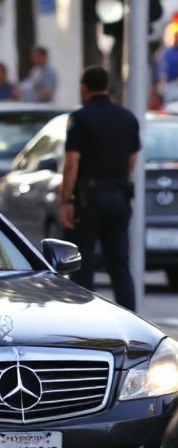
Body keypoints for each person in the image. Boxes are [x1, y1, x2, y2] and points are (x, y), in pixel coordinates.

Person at [59, 66, 140, 311]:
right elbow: (132, 160)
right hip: (118, 196)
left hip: (89, 199)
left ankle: (85, 319)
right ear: (108, 87)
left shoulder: (79, 119)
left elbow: (72, 162)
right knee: (119, 265)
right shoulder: (128, 118)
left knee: (83, 265)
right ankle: (131, 318)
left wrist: (66, 201)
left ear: (84, 88)